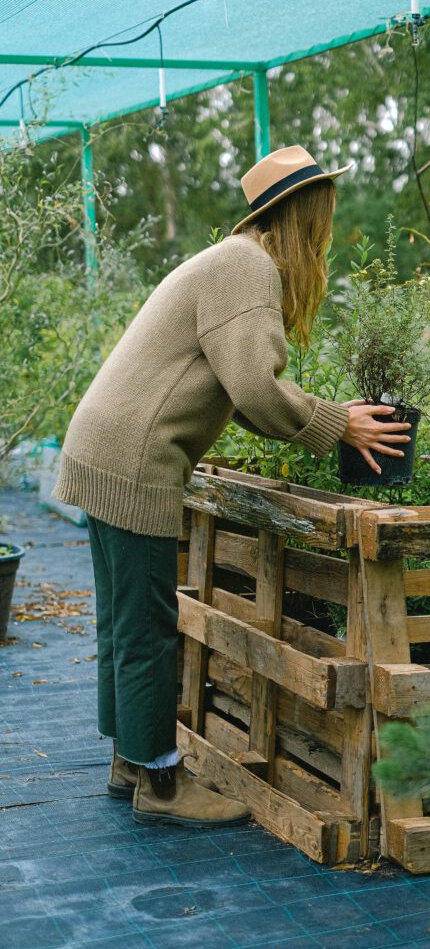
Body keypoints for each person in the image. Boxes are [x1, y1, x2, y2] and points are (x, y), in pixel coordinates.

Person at [53, 144, 411, 828]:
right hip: (134, 458)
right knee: (149, 626)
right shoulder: (248, 266)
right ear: (301, 212)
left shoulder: (231, 259)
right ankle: (159, 783)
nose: (328, 227)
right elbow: (253, 385)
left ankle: (130, 760)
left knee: (125, 618)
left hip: (106, 447)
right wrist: (341, 428)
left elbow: (242, 395)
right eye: (325, 211)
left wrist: (323, 421)